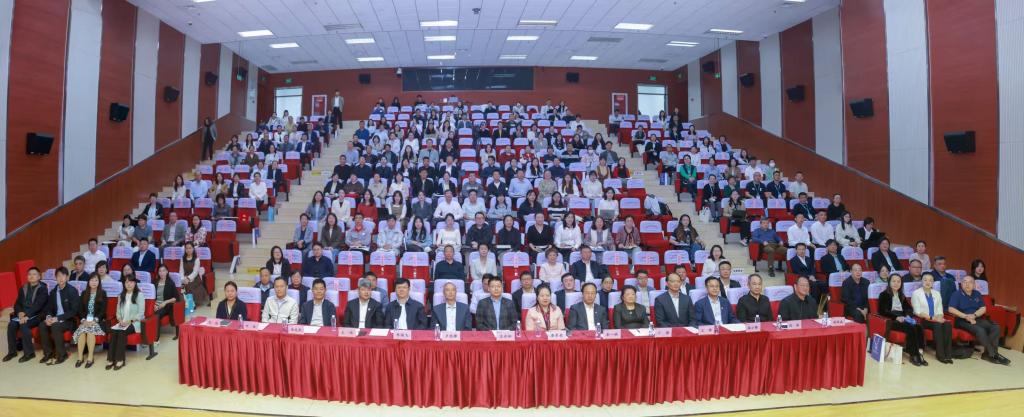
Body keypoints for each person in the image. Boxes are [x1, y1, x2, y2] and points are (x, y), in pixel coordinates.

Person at [949, 276, 1009, 365]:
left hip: (976, 318)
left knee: (995, 327)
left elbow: (983, 308)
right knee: (980, 330)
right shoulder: (956, 294)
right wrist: (966, 316)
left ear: (974, 285)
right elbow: (951, 309)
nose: (967, 284)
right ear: (961, 284)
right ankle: (993, 354)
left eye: (970, 282)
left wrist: (974, 315)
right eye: (965, 282)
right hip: (962, 320)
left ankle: (987, 354)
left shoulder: (977, 294)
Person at [878, 275, 928, 366]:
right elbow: (882, 311)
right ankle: (914, 355)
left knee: (919, 327)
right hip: (891, 320)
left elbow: (909, 308)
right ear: (889, 282)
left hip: (902, 318)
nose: (896, 283)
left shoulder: (901, 295)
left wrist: (907, 315)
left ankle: (920, 352)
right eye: (893, 281)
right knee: (911, 328)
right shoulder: (883, 295)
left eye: (898, 282)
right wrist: (895, 317)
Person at [4, 267, 48, 363]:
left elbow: (38, 305)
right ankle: (12, 351)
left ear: (39, 276)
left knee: (24, 324)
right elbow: (17, 303)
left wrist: (27, 315)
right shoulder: (23, 288)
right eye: (29, 274)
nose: (31, 276)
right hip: (23, 314)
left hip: (37, 315)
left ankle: (29, 353)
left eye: (34, 274)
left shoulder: (43, 289)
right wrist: (19, 312)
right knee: (11, 324)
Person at [38, 267, 80, 365]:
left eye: (63, 275)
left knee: (55, 326)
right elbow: (49, 308)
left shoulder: (72, 291)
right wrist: (48, 317)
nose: (61, 278)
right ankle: (48, 353)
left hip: (69, 320)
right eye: (58, 276)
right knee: (42, 325)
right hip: (55, 319)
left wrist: (58, 318)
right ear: (55, 278)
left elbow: (74, 311)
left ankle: (62, 354)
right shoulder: (53, 292)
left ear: (67, 277)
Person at [911, 273, 954, 364]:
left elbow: (940, 310)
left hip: (936, 319)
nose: (928, 282)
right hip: (923, 320)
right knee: (938, 325)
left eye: (930, 280)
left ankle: (948, 355)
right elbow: (917, 312)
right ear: (921, 281)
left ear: (933, 282)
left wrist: (939, 318)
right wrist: (934, 319)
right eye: (925, 280)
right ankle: (941, 356)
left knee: (947, 324)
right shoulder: (916, 293)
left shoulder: (937, 293)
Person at [103, 276, 144, 370]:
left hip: (135, 323)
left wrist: (129, 321)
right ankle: (111, 359)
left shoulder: (139, 295)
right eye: (126, 282)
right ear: (124, 284)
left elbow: (141, 314)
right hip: (122, 322)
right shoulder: (121, 295)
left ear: (135, 283)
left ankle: (120, 359)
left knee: (121, 332)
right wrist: (120, 320)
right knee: (114, 331)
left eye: (131, 282)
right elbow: (118, 312)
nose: (129, 284)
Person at [72, 274, 106, 368]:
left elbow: (103, 311)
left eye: (96, 280)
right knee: (82, 332)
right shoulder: (84, 293)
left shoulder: (102, 293)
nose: (94, 282)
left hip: (97, 321)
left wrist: (95, 320)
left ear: (99, 282)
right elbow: (80, 310)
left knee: (90, 332)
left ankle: (90, 357)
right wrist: (83, 320)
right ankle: (80, 357)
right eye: (92, 280)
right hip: (85, 321)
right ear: (88, 282)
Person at [151, 265, 181, 342]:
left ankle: (155, 339)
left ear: (167, 272)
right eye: (160, 271)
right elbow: (151, 296)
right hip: (155, 305)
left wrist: (165, 302)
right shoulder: (154, 282)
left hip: (166, 306)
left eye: (163, 271)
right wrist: (153, 304)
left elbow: (176, 298)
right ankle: (147, 336)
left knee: (156, 315)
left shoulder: (170, 283)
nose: (162, 273)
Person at [181, 242, 210, 307]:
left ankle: (192, 303)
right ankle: (184, 303)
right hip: (185, 277)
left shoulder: (197, 259)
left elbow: (195, 272)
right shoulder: (182, 259)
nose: (188, 250)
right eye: (187, 248)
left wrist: (188, 278)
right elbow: (181, 271)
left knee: (189, 286)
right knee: (181, 286)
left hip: (194, 278)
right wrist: (182, 279)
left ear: (193, 249)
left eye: (190, 248)